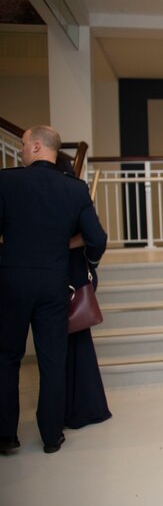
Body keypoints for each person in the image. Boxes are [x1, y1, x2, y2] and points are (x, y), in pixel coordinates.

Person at [0, 126, 107, 454]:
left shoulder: (5, 181)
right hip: (53, 284)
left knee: (6, 359)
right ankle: (50, 436)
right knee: (52, 361)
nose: (20, 150)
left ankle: (5, 435)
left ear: (35, 147)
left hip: (11, 283)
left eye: (22, 144)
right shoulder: (74, 189)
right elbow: (97, 239)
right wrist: (88, 262)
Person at [54, 156, 113, 430]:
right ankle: (78, 408)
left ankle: (75, 409)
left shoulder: (66, 193)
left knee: (70, 344)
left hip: (71, 277)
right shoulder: (74, 191)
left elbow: (96, 237)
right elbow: (96, 238)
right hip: (74, 273)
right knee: (76, 344)